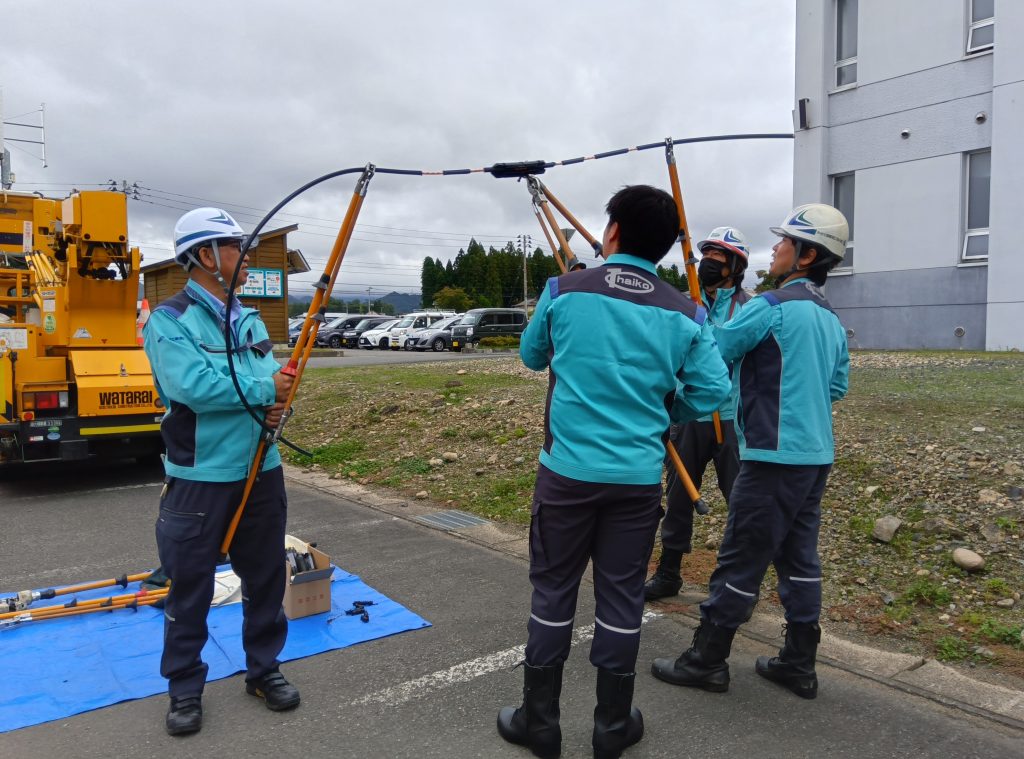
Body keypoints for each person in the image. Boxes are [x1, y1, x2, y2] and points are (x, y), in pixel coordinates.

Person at [497, 185, 730, 759]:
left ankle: (541, 722)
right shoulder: (686, 310)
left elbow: (531, 356)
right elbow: (714, 391)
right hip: (635, 479)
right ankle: (611, 725)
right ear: (667, 247)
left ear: (613, 232)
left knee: (553, 590)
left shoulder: (564, 289)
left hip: (566, 473)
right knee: (622, 597)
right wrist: (665, 410)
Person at [651, 203, 850, 700]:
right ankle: (798, 662)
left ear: (805, 256)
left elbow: (713, 351)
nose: (777, 249)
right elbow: (838, 387)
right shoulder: (829, 317)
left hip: (771, 456)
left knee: (741, 556)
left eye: (785, 242)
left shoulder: (770, 306)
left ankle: (706, 659)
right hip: (815, 455)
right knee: (800, 558)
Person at [144, 207, 299, 736]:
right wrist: (265, 392)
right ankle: (185, 689)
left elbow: (266, 376)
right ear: (205, 256)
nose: (248, 254)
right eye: (236, 245)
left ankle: (264, 671)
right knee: (189, 586)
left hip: (262, 468)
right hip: (200, 476)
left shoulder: (250, 316)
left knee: (266, 576)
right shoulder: (169, 321)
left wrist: (279, 401)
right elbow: (192, 388)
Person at [644, 226, 752, 601]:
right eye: (706, 255)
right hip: (689, 417)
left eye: (719, 257)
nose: (709, 262)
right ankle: (669, 572)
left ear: (735, 266)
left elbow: (727, 354)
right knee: (676, 498)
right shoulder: (685, 303)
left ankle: (740, 585)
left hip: (733, 421)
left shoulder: (749, 307)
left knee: (740, 501)